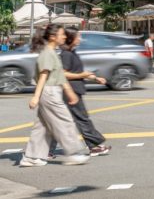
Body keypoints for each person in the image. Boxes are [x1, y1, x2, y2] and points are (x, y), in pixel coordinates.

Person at [20, 25, 90, 167]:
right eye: (62, 34)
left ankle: (31, 157)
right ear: (53, 37)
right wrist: (35, 97)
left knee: (43, 127)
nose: (64, 37)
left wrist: (69, 91)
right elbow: (43, 76)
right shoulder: (48, 53)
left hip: (52, 91)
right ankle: (73, 154)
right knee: (65, 122)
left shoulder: (52, 52)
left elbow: (59, 75)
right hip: (49, 92)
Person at [51, 29, 111, 157]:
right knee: (81, 119)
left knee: (63, 122)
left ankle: (47, 150)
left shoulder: (72, 52)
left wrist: (95, 78)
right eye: (78, 36)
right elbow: (63, 74)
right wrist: (81, 75)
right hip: (70, 91)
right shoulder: (66, 55)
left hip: (74, 90)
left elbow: (78, 72)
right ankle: (94, 146)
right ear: (70, 38)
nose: (80, 39)